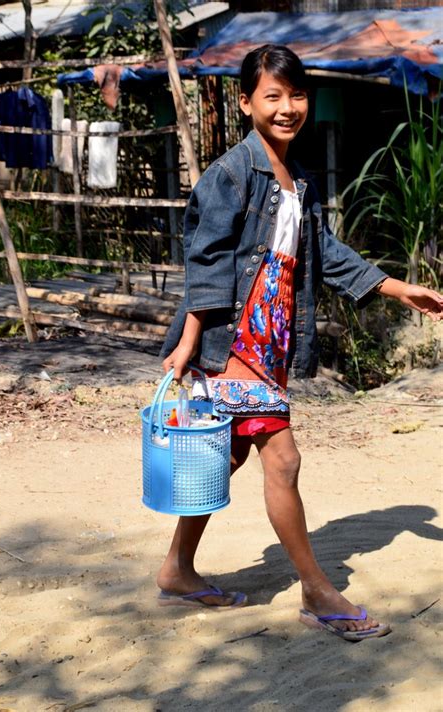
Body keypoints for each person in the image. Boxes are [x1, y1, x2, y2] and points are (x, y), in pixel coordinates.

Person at [157, 44, 443, 641]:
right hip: (233, 338)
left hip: (272, 336)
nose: (288, 108)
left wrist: (395, 288)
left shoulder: (297, 180)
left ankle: (177, 569)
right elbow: (205, 263)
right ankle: (318, 592)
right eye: (273, 96)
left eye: (296, 95)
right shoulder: (231, 173)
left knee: (226, 455)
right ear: (245, 103)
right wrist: (188, 343)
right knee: (282, 459)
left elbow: (324, 254)